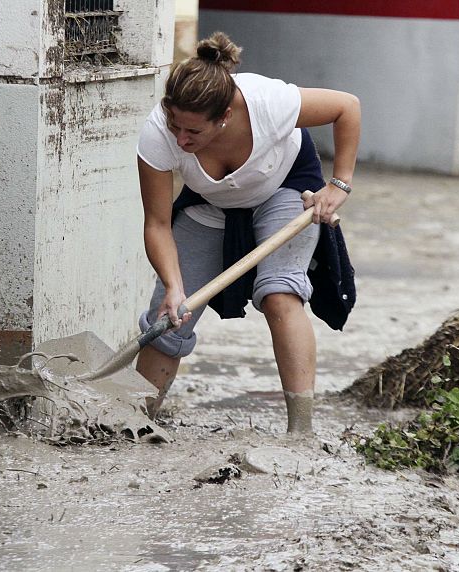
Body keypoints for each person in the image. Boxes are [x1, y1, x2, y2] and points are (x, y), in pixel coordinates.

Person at [134, 31, 361, 433]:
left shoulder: (266, 102)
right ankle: (136, 422)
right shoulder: (158, 133)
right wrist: (173, 285)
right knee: (169, 316)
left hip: (284, 188)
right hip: (211, 202)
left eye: (194, 133)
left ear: (225, 117)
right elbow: (157, 223)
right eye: (175, 126)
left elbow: (347, 107)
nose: (181, 140)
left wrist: (339, 184)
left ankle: (301, 432)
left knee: (279, 293)